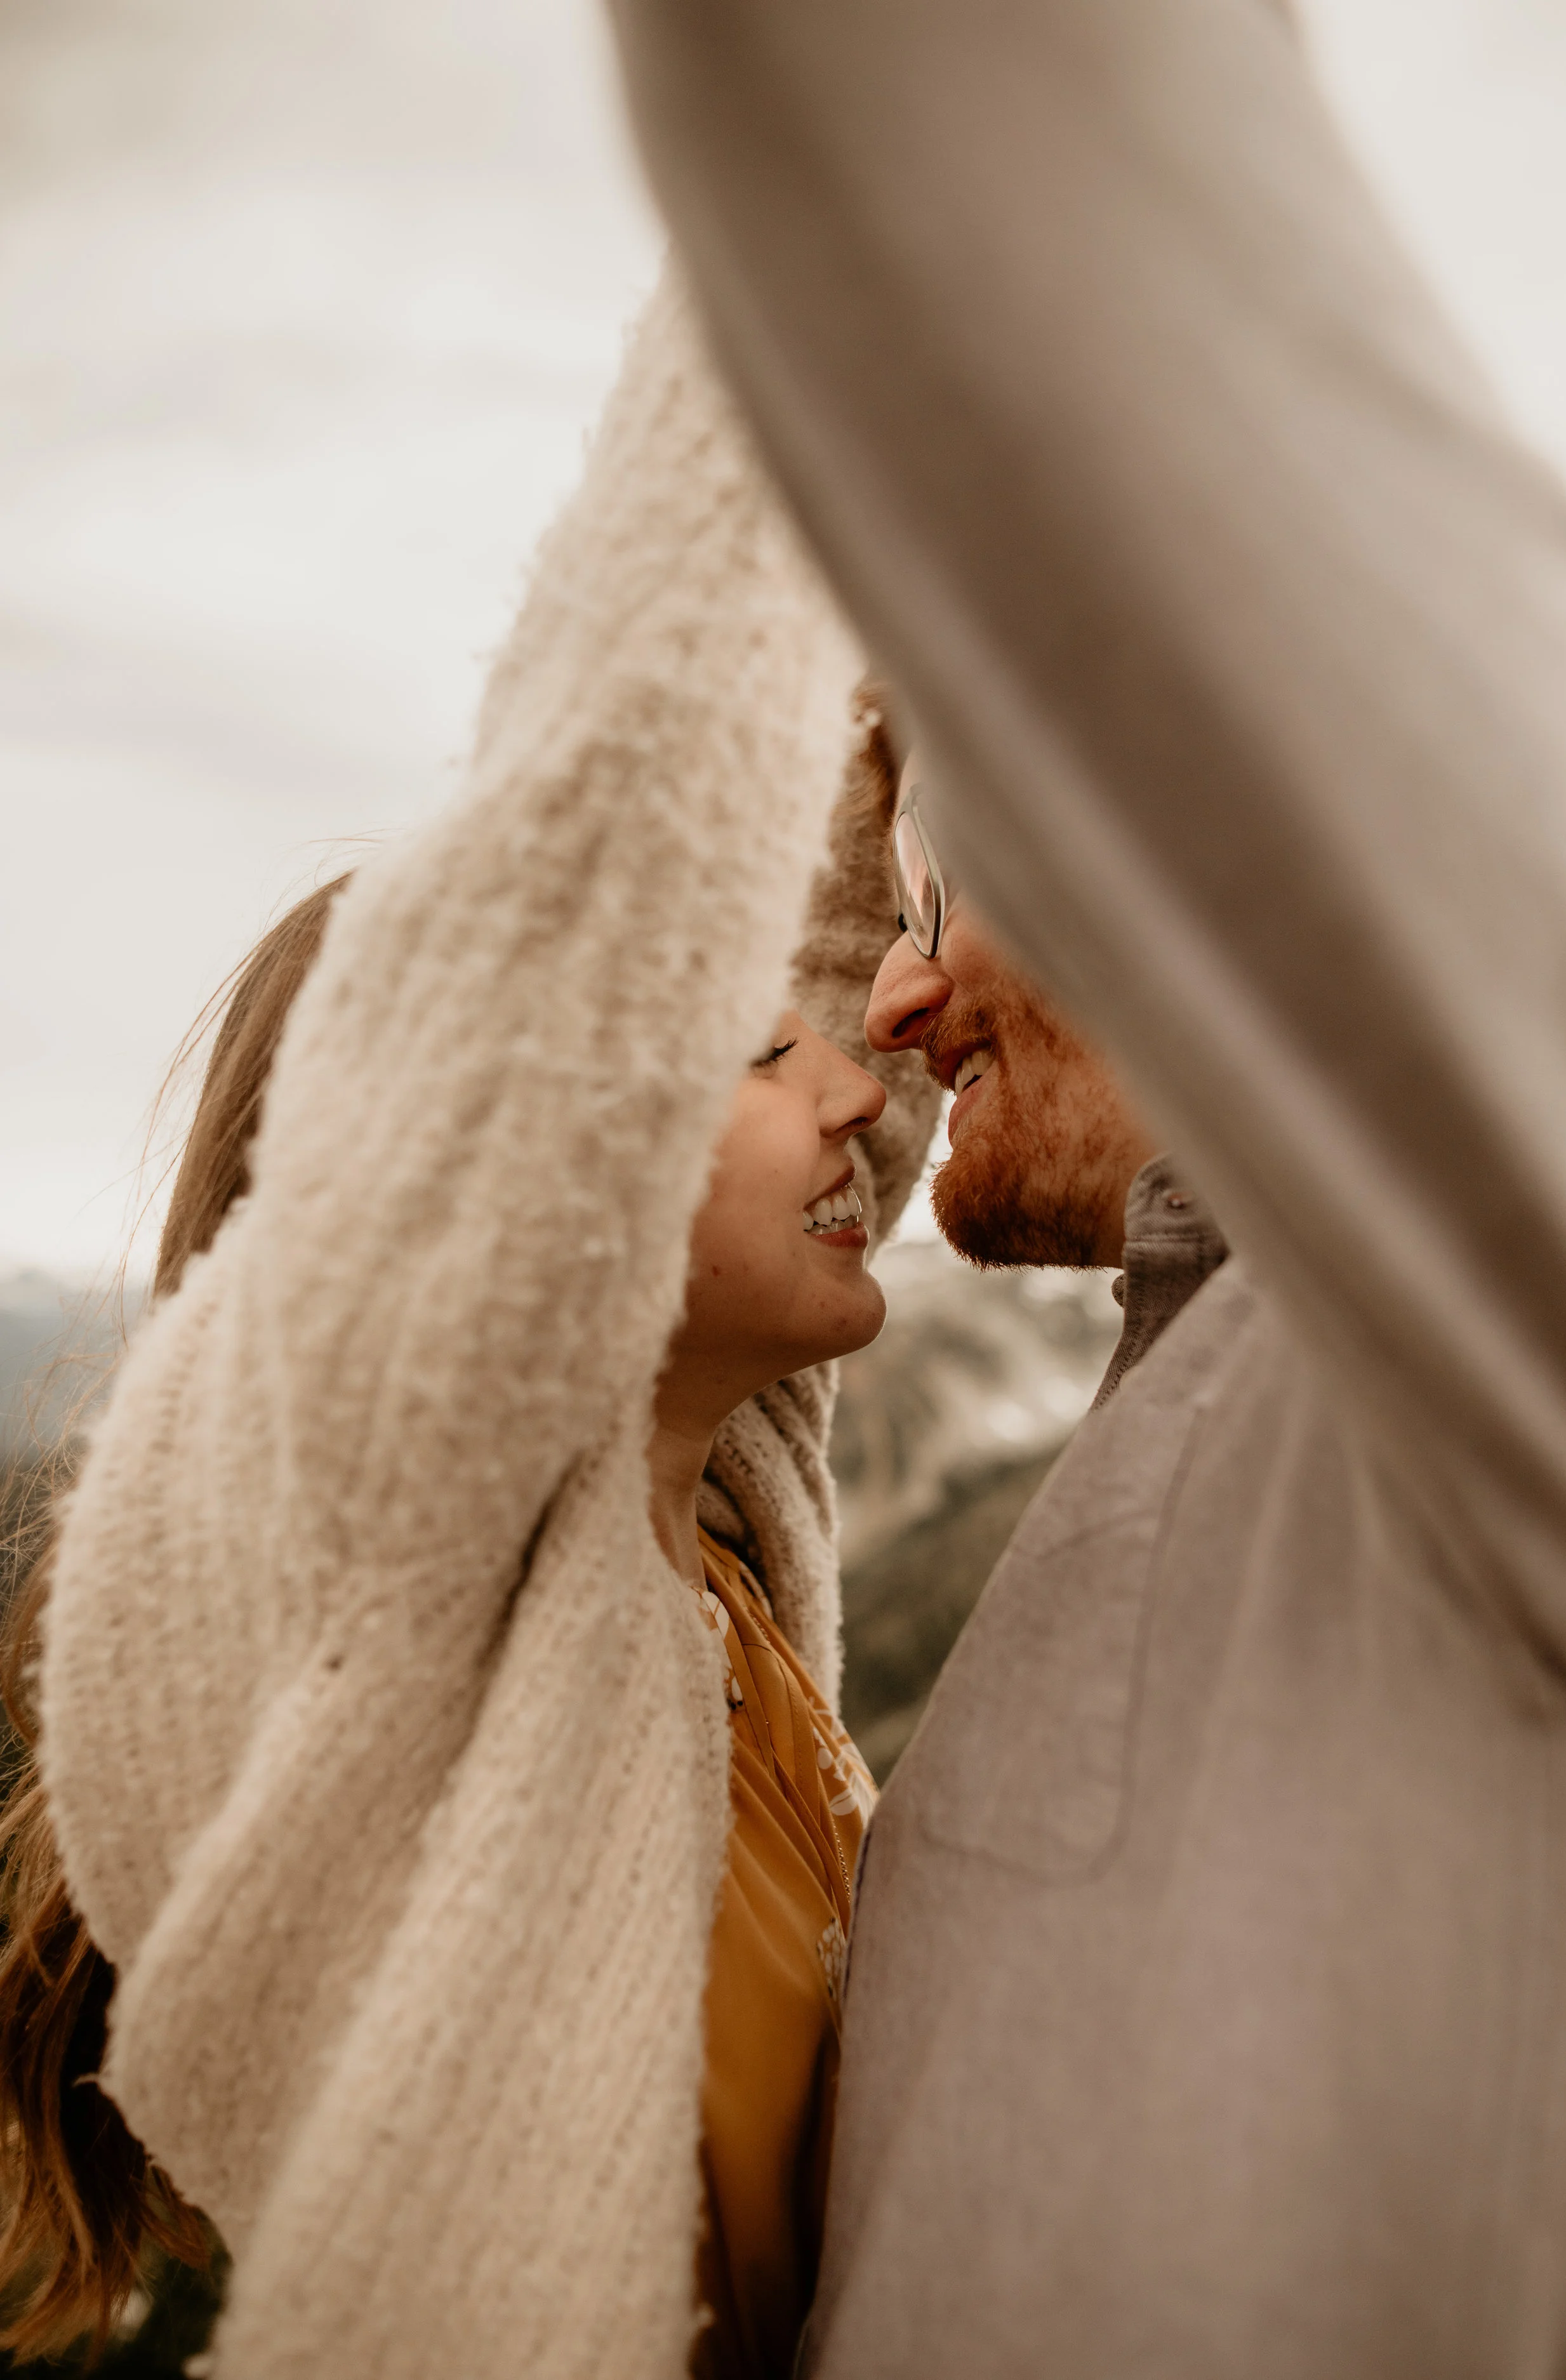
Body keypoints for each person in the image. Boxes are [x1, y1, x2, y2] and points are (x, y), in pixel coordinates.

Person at [605, 0, 1566, 2372]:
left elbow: (935, 103)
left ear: (1172, 833)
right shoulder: (1196, 1395)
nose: (890, 1024)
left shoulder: (1468, 1328)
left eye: (935, 908)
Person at [11, 270, 936, 2379]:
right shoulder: (353, 1572)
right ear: (515, 1162)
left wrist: (925, 579)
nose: (852, 1090)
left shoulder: (701, 1522)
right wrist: (823, 233)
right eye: (737, 1054)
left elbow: (816, 894)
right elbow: (617, 822)